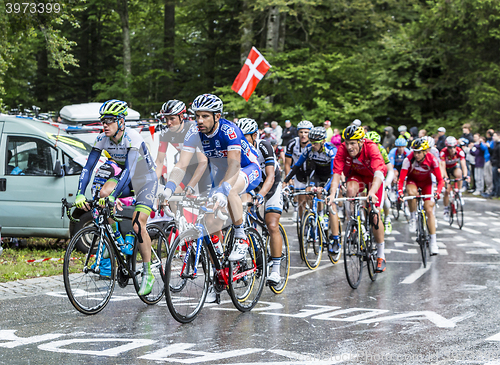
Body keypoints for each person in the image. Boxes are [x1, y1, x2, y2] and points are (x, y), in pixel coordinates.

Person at [163, 93, 261, 265]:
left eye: (205, 116)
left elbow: (235, 165)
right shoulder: (194, 131)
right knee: (210, 221)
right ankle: (219, 269)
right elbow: (182, 164)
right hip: (222, 172)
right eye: (197, 116)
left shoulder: (229, 130)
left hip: (246, 168)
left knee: (229, 191)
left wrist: (223, 191)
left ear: (217, 116)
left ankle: (241, 237)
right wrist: (169, 189)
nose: (199, 120)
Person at [74, 99, 158, 295]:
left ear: (121, 121)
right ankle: (117, 238)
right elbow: (88, 168)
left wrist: (114, 197)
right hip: (125, 177)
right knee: (102, 194)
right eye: (103, 121)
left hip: (145, 179)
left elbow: (129, 171)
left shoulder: (133, 138)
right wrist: (80, 193)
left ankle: (147, 273)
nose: (104, 125)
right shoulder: (102, 138)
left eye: (109, 120)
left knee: (138, 225)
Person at [327, 125, 388, 273]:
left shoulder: (371, 147)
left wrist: (372, 192)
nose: (349, 147)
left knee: (374, 214)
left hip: (374, 178)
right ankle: (354, 222)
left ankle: (381, 255)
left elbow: (379, 173)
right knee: (350, 190)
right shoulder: (342, 149)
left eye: (353, 143)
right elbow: (336, 173)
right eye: (347, 143)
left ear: (361, 142)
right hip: (357, 176)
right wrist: (332, 194)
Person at [236, 118, 283, 285]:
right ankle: (249, 248)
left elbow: (270, 176)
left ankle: (276, 270)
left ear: (254, 135)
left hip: (271, 184)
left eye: (245, 137)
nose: (240, 141)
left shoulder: (264, 145)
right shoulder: (236, 147)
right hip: (252, 184)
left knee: (271, 225)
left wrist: (262, 195)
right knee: (240, 209)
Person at [284, 127, 339, 253]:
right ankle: (316, 216)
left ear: (323, 141)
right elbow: (296, 166)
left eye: (315, 143)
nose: (312, 145)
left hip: (330, 176)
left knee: (331, 204)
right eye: (311, 142)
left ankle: (335, 239)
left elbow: (333, 173)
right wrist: (286, 181)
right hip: (316, 175)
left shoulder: (331, 151)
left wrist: (325, 189)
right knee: (310, 192)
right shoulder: (309, 149)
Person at [398, 138, 444, 256]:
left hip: (427, 183)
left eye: (419, 152)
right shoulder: (409, 159)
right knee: (411, 193)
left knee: (429, 210)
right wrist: (400, 192)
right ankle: (413, 216)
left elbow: (440, 180)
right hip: (412, 181)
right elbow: (401, 179)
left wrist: (438, 192)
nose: (416, 155)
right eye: (415, 152)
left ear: (425, 151)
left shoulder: (432, 159)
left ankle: (433, 242)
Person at [155, 100, 210, 195]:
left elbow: (203, 162)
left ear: (181, 117)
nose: (168, 123)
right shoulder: (166, 132)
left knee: (207, 204)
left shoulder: (194, 129)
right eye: (166, 119)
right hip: (187, 167)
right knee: (172, 195)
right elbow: (159, 161)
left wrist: (191, 185)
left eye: (172, 118)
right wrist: (152, 184)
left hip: (207, 168)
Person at [284, 120, 314, 222]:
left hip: (312, 173)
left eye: (306, 132)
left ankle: (318, 217)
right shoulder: (292, 144)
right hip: (299, 173)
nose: (303, 135)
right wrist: (289, 178)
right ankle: (302, 222)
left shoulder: (314, 144)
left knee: (312, 198)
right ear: (297, 133)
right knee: (301, 200)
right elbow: (287, 164)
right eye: (301, 132)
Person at [365, 131, 394, 234]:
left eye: (375, 143)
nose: (373, 146)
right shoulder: (363, 150)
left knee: (384, 197)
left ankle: (387, 218)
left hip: (380, 176)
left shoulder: (381, 150)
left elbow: (390, 169)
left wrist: (387, 183)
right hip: (368, 176)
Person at [440, 136, 469, 220]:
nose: (452, 149)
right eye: (450, 147)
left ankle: (458, 192)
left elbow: (463, 165)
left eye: (454, 147)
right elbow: (442, 167)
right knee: (447, 191)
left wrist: (465, 175)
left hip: (453, 167)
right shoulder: (443, 152)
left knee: (459, 173)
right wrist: (445, 178)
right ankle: (445, 210)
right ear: (447, 147)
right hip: (445, 169)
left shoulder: (460, 151)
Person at [490, 132, 500, 197]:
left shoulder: (499, 145)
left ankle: (497, 193)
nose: (493, 137)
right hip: (494, 163)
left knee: (497, 180)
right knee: (494, 179)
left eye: (495, 136)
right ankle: (494, 192)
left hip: (497, 164)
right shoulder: (495, 144)